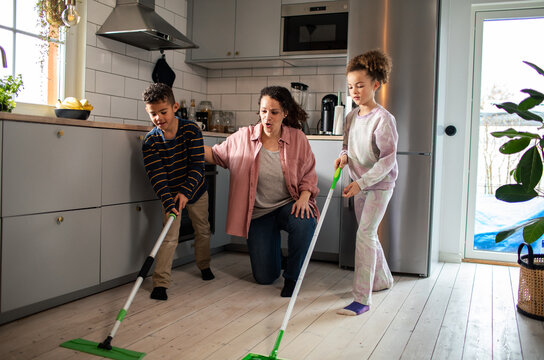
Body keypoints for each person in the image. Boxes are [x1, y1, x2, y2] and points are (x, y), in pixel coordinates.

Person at [204, 86, 319, 297]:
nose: (268, 117)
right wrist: (186, 140)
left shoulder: (298, 138)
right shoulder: (243, 137)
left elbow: (309, 175)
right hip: (258, 214)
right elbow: (216, 155)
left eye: (274, 112)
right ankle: (279, 258)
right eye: (264, 111)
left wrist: (304, 197)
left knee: (305, 220)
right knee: (265, 277)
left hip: (288, 205)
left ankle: (293, 278)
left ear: (285, 113)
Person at [334, 49, 398, 316]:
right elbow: (346, 146)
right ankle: (382, 279)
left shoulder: (384, 119)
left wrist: (362, 183)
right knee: (367, 234)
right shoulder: (350, 117)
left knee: (365, 235)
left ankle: (362, 299)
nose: (355, 91)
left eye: (360, 85)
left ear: (376, 84)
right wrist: (343, 156)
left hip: (379, 185)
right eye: (350, 87)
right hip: (358, 183)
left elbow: (387, 161)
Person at [142, 83, 214, 301]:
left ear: (174, 107)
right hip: (170, 194)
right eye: (153, 114)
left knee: (202, 228)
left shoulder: (191, 130)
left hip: (196, 189)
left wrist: (185, 192)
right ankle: (160, 283)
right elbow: (157, 176)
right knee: (169, 236)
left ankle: (204, 265)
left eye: (163, 112)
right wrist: (168, 200)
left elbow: (196, 167)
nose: (158, 118)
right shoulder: (151, 142)